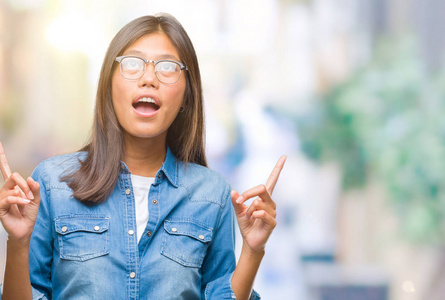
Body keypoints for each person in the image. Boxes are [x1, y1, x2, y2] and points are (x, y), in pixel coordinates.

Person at [0, 13, 285, 300]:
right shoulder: (52, 183)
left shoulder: (213, 195)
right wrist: (18, 243)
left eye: (167, 67)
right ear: (109, 85)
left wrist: (253, 251)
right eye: (132, 65)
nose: (149, 79)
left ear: (187, 93)